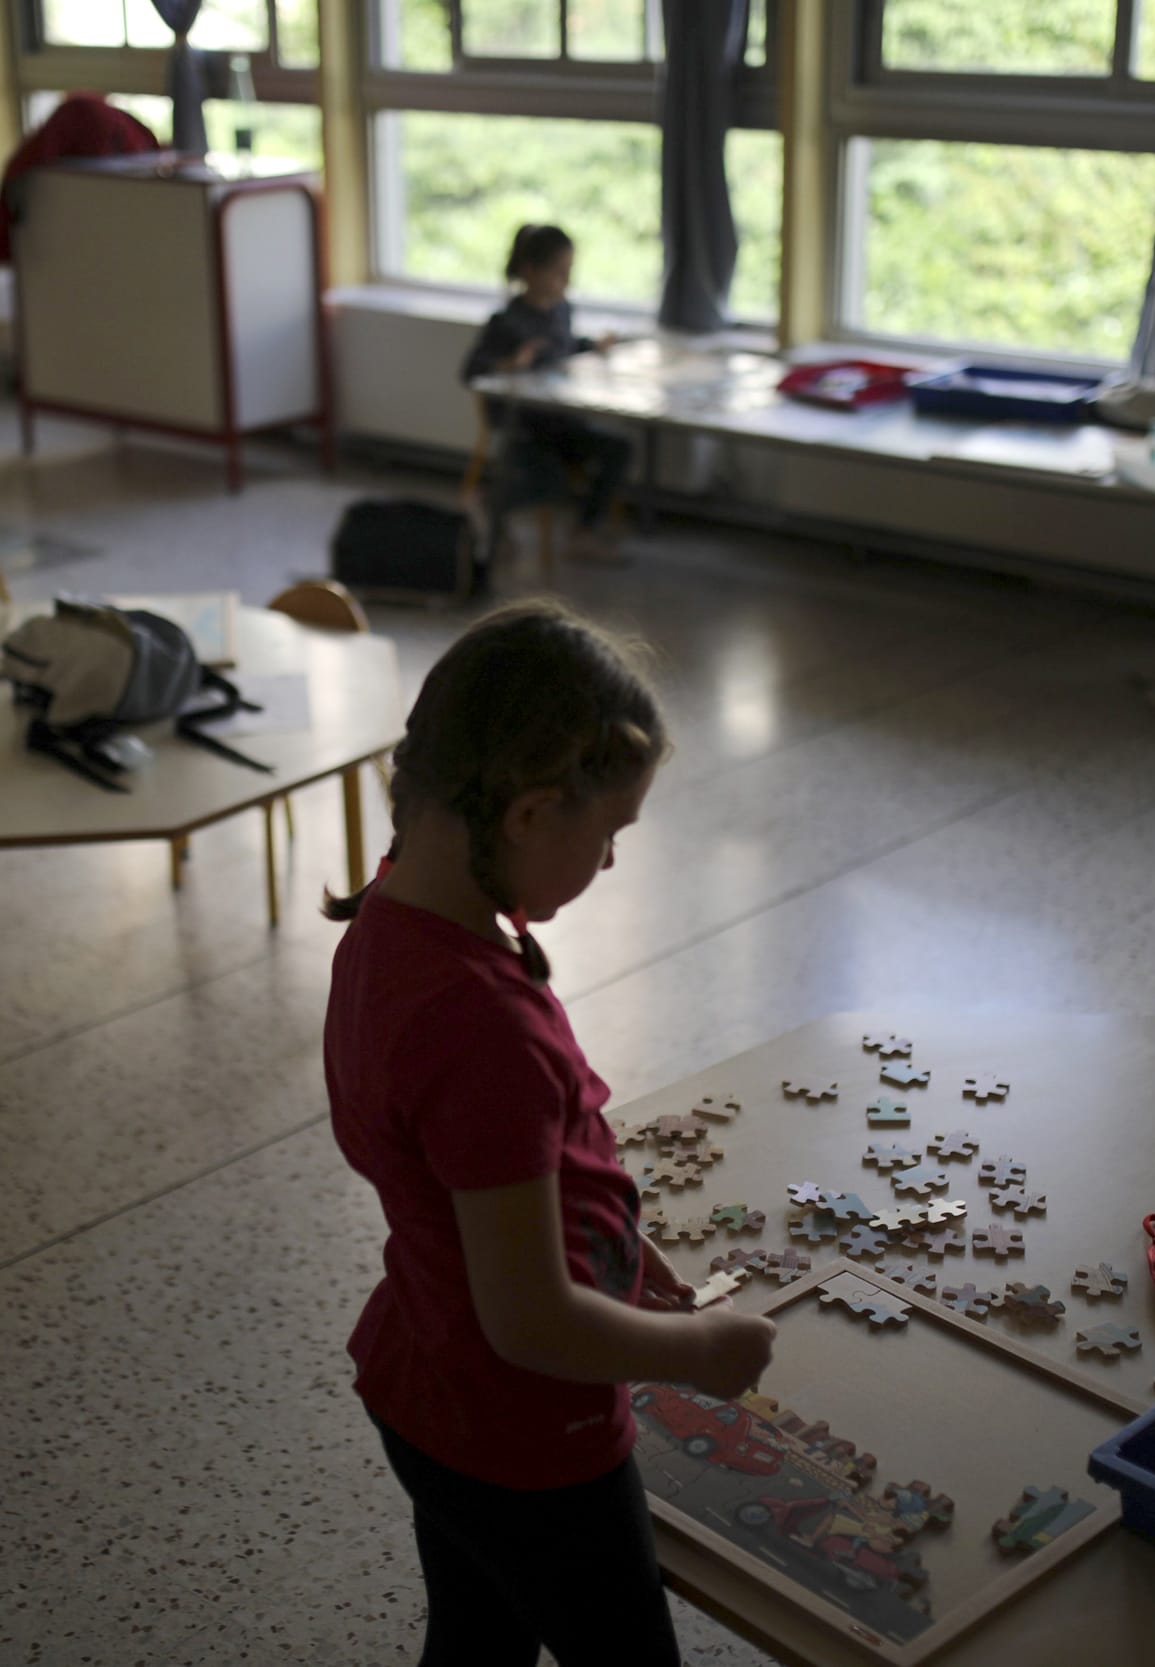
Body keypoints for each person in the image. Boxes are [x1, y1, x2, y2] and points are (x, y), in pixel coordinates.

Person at [323, 604, 776, 1666]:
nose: (613, 863)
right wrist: (696, 1352)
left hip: (427, 1382)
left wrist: (612, 1244)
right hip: (528, 1436)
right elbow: (530, 1322)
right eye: (608, 834)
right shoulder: (482, 1028)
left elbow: (488, 1177)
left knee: (479, 1636)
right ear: (528, 814)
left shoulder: (395, 916)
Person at [461, 223, 635, 564]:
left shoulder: (562, 311)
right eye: (559, 272)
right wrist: (510, 363)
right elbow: (471, 371)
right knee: (549, 477)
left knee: (618, 448)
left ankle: (584, 532)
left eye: (569, 272)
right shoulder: (506, 322)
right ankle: (487, 503)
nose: (566, 282)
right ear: (530, 271)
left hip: (563, 420)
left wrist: (591, 346)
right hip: (523, 428)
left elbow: (565, 347)